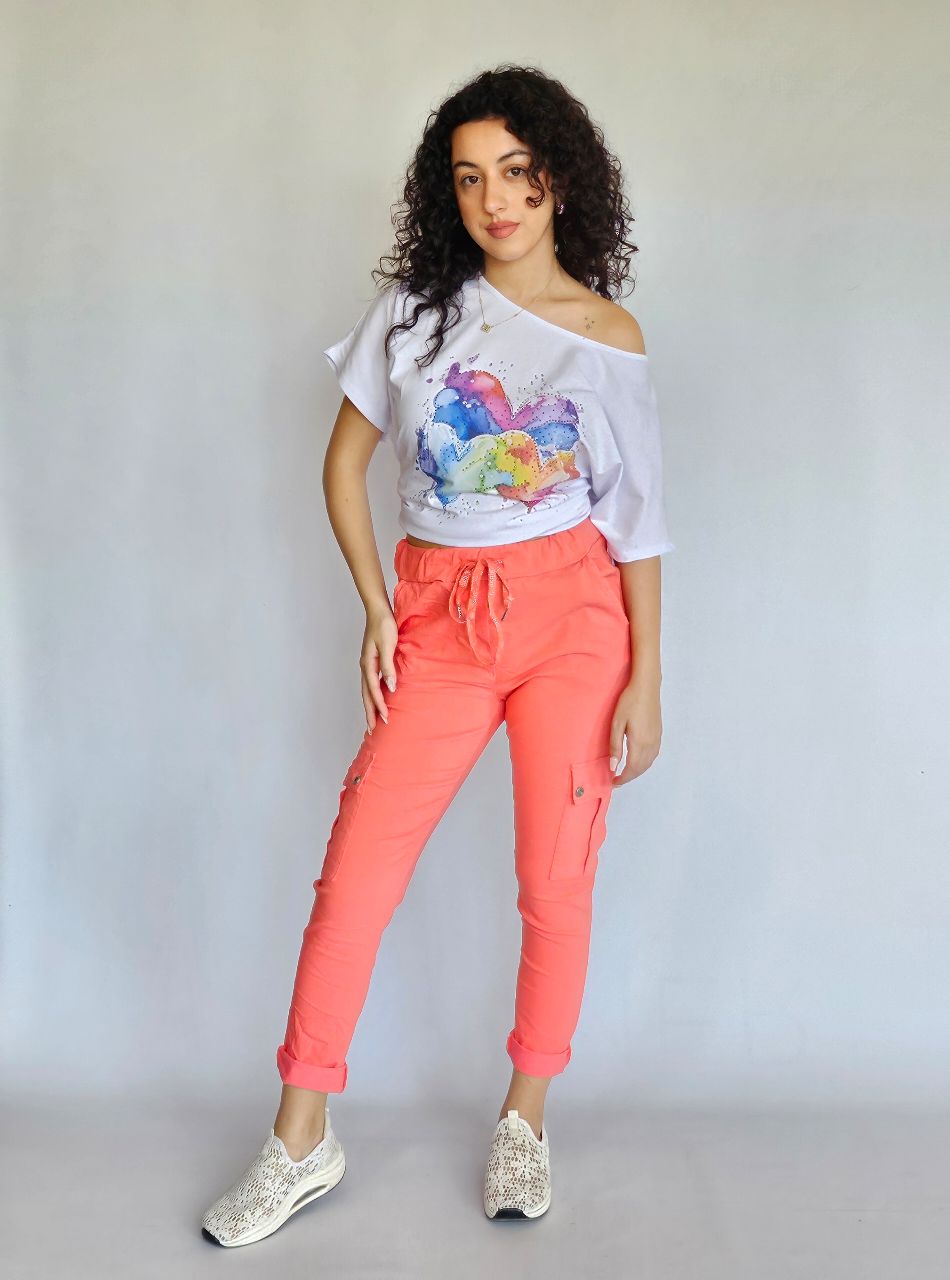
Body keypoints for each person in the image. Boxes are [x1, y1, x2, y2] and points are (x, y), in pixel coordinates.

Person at [201, 63, 674, 1247]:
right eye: (467, 179)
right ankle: (299, 1137)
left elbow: (636, 523)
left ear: (558, 177)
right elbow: (341, 465)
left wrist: (646, 675)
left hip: (571, 617)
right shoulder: (414, 315)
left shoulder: (606, 337)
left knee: (553, 879)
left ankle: (524, 1115)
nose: (493, 200)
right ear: (444, 195)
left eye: (514, 172)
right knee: (356, 872)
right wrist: (376, 606)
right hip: (437, 618)